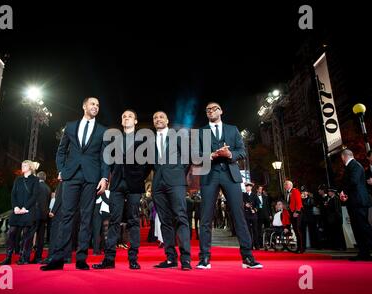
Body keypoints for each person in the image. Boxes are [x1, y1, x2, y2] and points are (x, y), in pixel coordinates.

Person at [41, 97, 109, 271]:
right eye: (92, 104)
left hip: (92, 177)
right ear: (84, 106)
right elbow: (61, 151)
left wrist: (104, 178)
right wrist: (62, 169)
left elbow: (104, 157)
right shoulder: (70, 126)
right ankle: (58, 258)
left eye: (98, 105)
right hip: (71, 175)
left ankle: (81, 259)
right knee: (66, 216)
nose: (95, 106)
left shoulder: (102, 130)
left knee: (86, 218)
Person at [197, 102, 262, 269]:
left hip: (230, 175)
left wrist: (230, 154)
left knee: (239, 215)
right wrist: (210, 155)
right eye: (208, 109)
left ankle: (247, 257)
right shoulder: (200, 132)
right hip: (209, 175)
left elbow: (242, 151)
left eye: (214, 108)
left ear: (221, 111)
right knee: (205, 218)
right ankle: (204, 258)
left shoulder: (232, 129)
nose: (211, 111)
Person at [93, 109, 149, 270]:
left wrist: (139, 177)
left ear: (135, 121)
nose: (126, 118)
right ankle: (109, 259)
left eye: (130, 116)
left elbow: (148, 163)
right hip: (116, 184)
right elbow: (107, 163)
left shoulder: (144, 140)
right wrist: (105, 178)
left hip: (134, 185)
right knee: (113, 220)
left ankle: (133, 259)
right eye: (124, 116)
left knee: (133, 221)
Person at [151, 111, 192, 270]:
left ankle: (186, 259)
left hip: (175, 182)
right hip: (157, 185)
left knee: (181, 218)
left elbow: (187, 158)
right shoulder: (150, 140)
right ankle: (170, 258)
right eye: (155, 118)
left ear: (167, 120)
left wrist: (178, 173)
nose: (158, 119)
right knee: (165, 221)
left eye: (161, 117)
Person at [340, 149, 372, 261]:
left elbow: (353, 181)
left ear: (343, 157)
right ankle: (364, 253)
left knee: (364, 227)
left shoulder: (355, 165)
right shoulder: (352, 166)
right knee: (357, 228)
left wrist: (344, 192)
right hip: (354, 202)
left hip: (359, 202)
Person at [0, 160, 40, 265]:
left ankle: (23, 258)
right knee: (11, 233)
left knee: (26, 235)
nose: (22, 167)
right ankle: (8, 257)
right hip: (17, 211)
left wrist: (25, 208)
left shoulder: (35, 180)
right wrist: (16, 207)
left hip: (28, 211)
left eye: (25, 165)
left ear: (30, 167)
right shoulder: (18, 179)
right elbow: (13, 195)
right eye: (22, 165)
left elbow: (34, 196)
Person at [31, 171, 51, 264]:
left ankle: (26, 256)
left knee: (30, 235)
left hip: (34, 214)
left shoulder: (36, 186)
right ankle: (38, 257)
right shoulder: (48, 188)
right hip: (44, 215)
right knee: (40, 237)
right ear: (45, 178)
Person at [284, 180, 304, 253]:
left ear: (290, 185)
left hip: (297, 213)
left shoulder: (295, 191)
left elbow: (299, 202)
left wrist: (297, 211)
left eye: (286, 184)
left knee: (298, 230)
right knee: (296, 230)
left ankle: (301, 248)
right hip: (292, 213)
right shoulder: (287, 193)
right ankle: (298, 248)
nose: (284, 186)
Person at [243, 182, 260, 249]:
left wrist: (255, 210)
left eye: (249, 187)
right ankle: (250, 245)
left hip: (253, 215)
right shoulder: (243, 195)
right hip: (246, 214)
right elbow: (240, 203)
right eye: (246, 187)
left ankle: (257, 245)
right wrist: (245, 205)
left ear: (251, 188)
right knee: (248, 231)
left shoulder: (254, 195)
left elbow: (258, 204)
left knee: (255, 230)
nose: (247, 188)